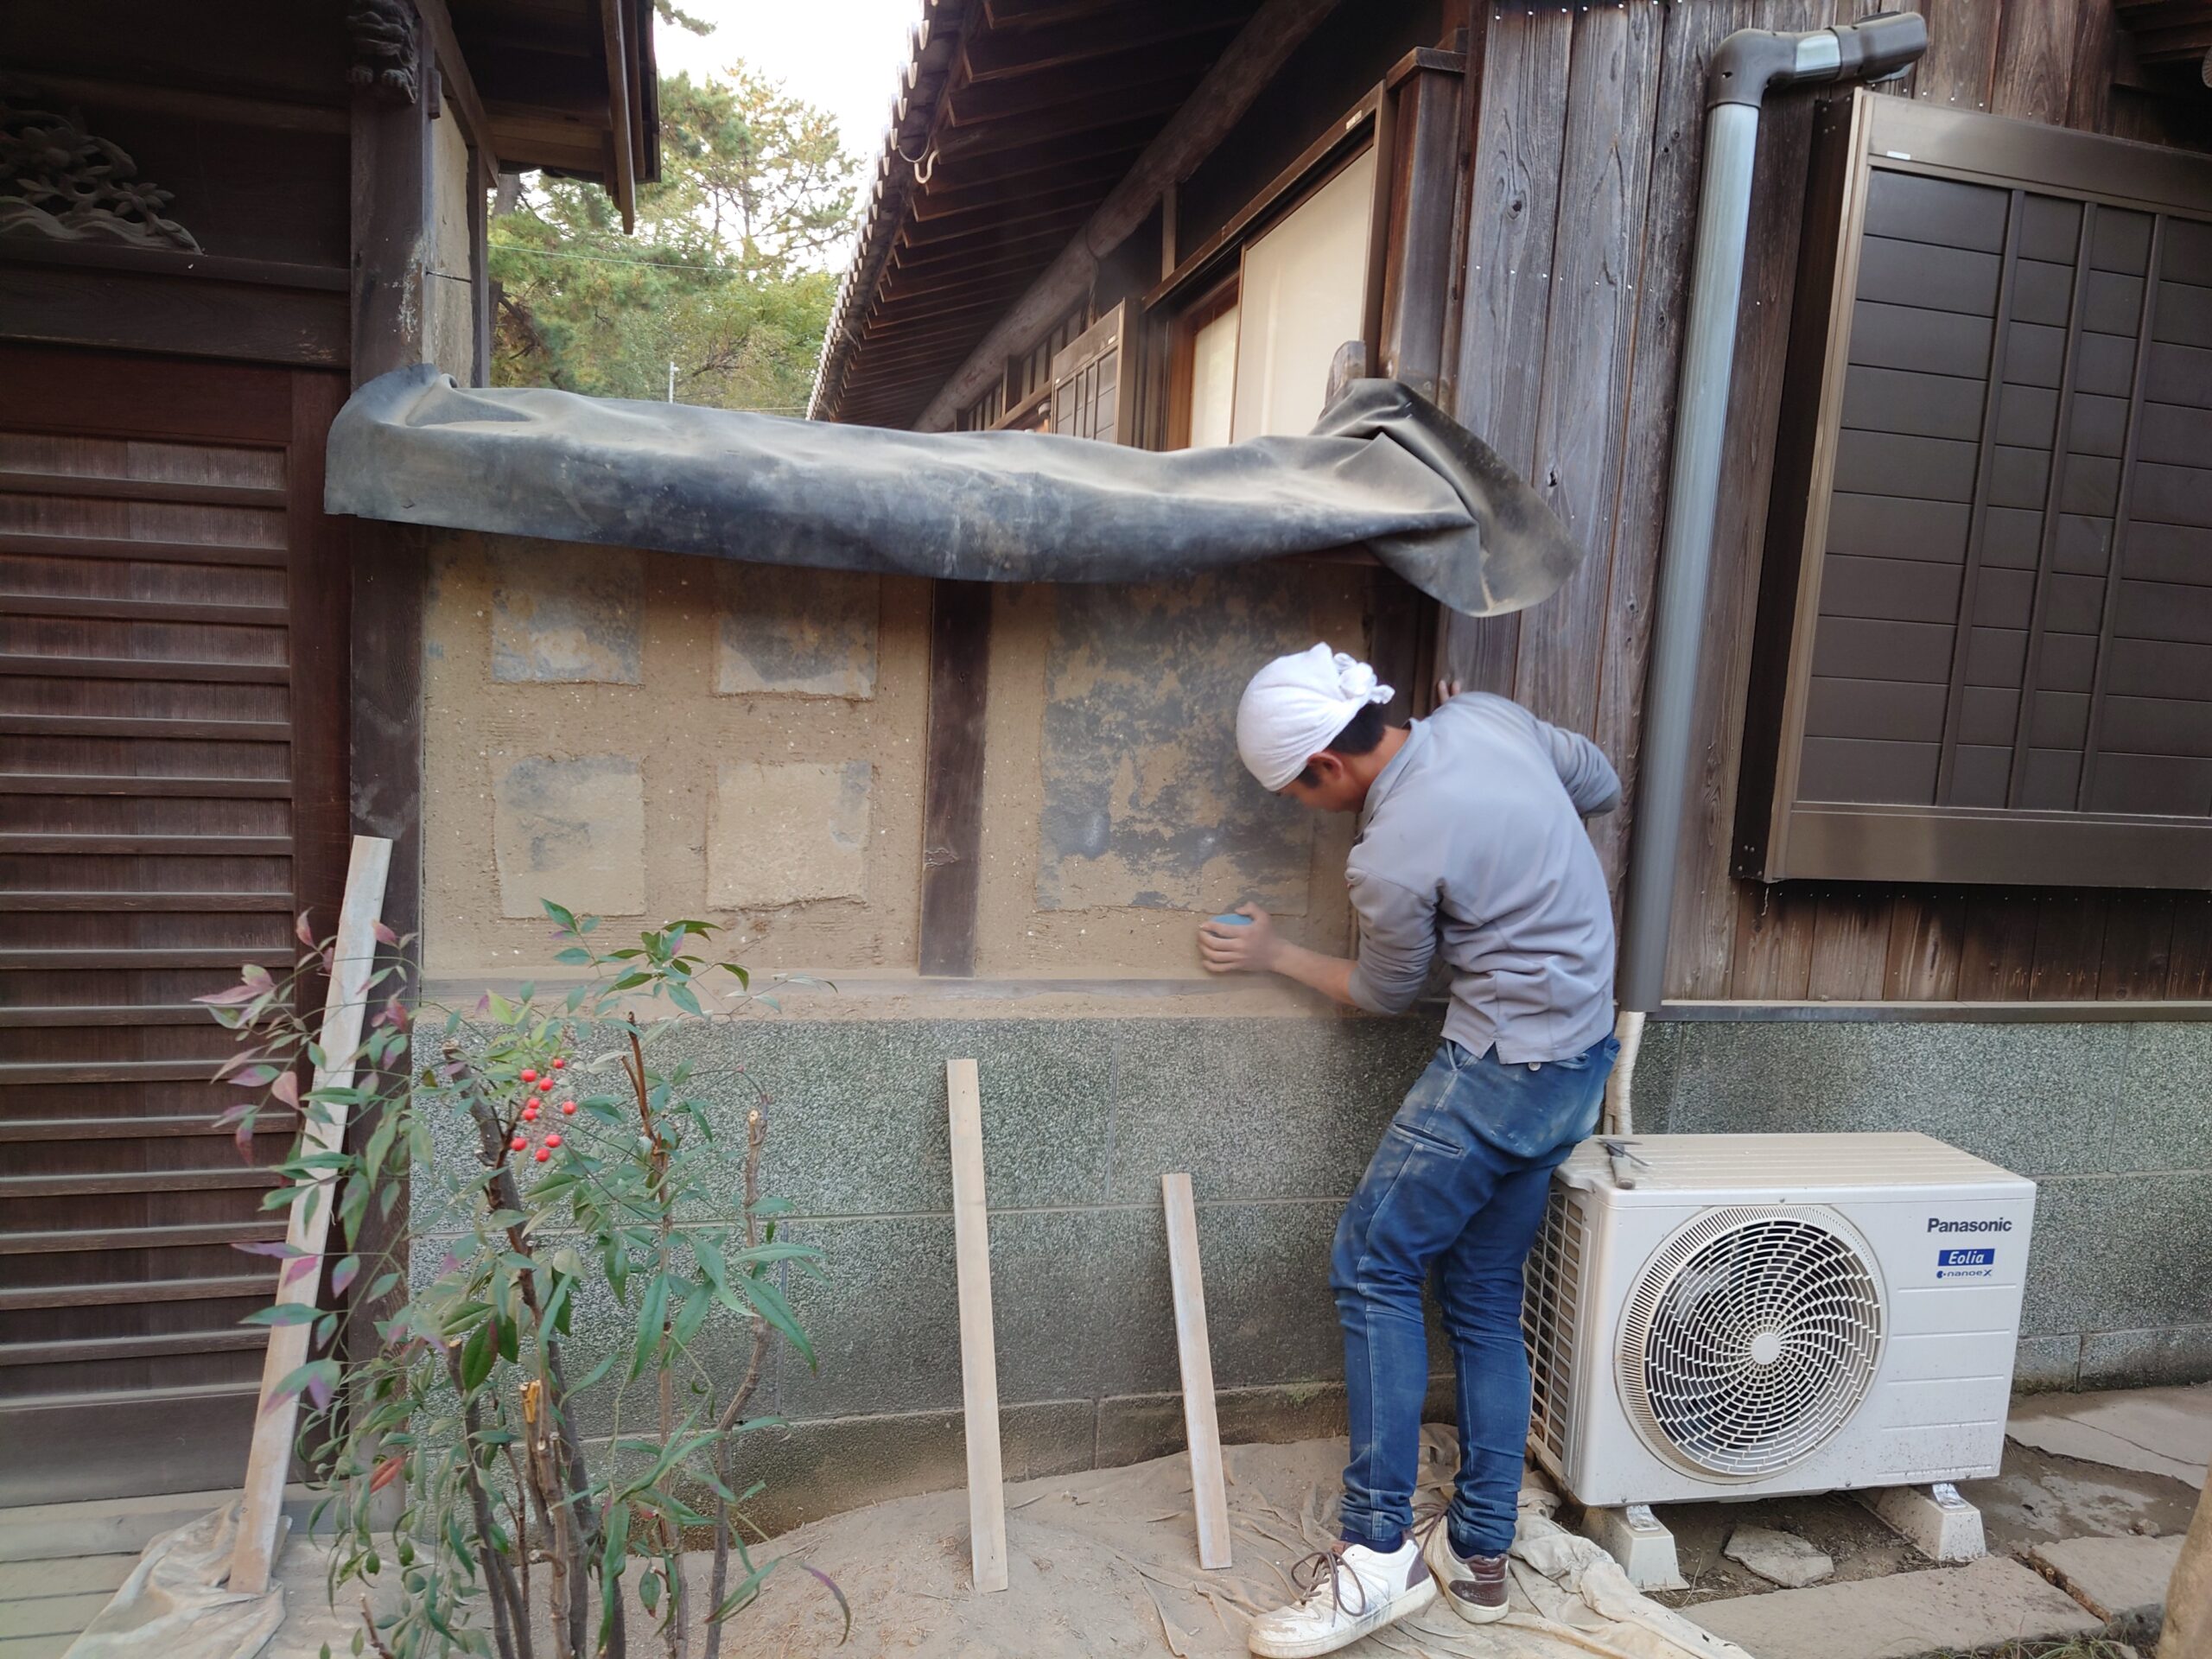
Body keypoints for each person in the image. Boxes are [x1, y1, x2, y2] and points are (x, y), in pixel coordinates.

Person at [1198, 643, 1621, 1658]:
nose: (1303, 807)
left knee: (1372, 1268)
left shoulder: (1389, 851)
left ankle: (1375, 1557)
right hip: (1577, 1066)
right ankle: (1478, 1556)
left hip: (1496, 1074)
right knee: (1481, 1297)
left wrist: (1268, 953)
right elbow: (1598, 783)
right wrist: (1499, 734)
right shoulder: (1489, 721)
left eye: (1294, 793)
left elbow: (1386, 993)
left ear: (1328, 770)